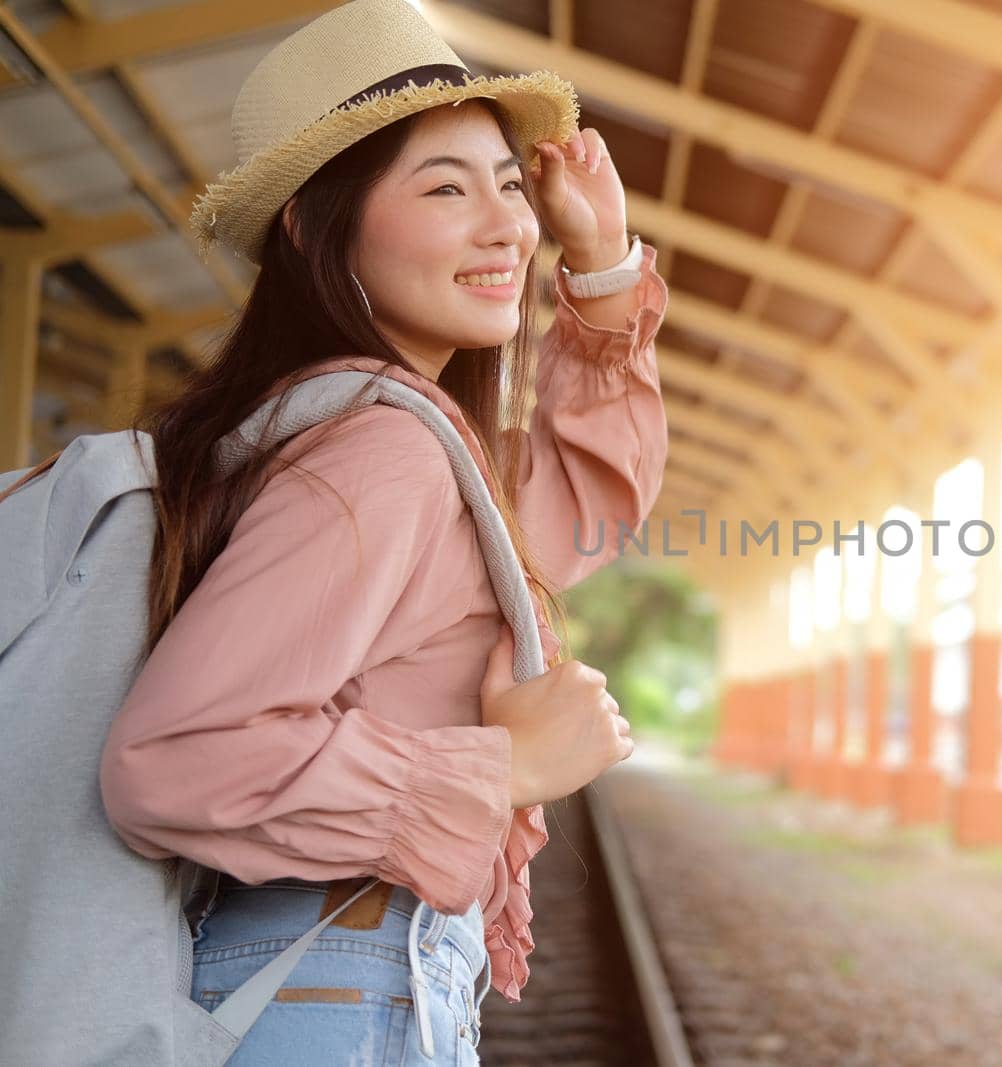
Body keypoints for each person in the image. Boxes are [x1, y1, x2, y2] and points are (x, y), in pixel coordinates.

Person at [96, 0, 668, 1062]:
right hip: (327, 987)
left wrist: (596, 263)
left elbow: (573, 513)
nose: (506, 225)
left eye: (509, 183)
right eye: (446, 189)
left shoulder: (392, 437)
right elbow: (171, 758)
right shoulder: (379, 452)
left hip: (341, 981)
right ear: (318, 228)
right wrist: (501, 766)